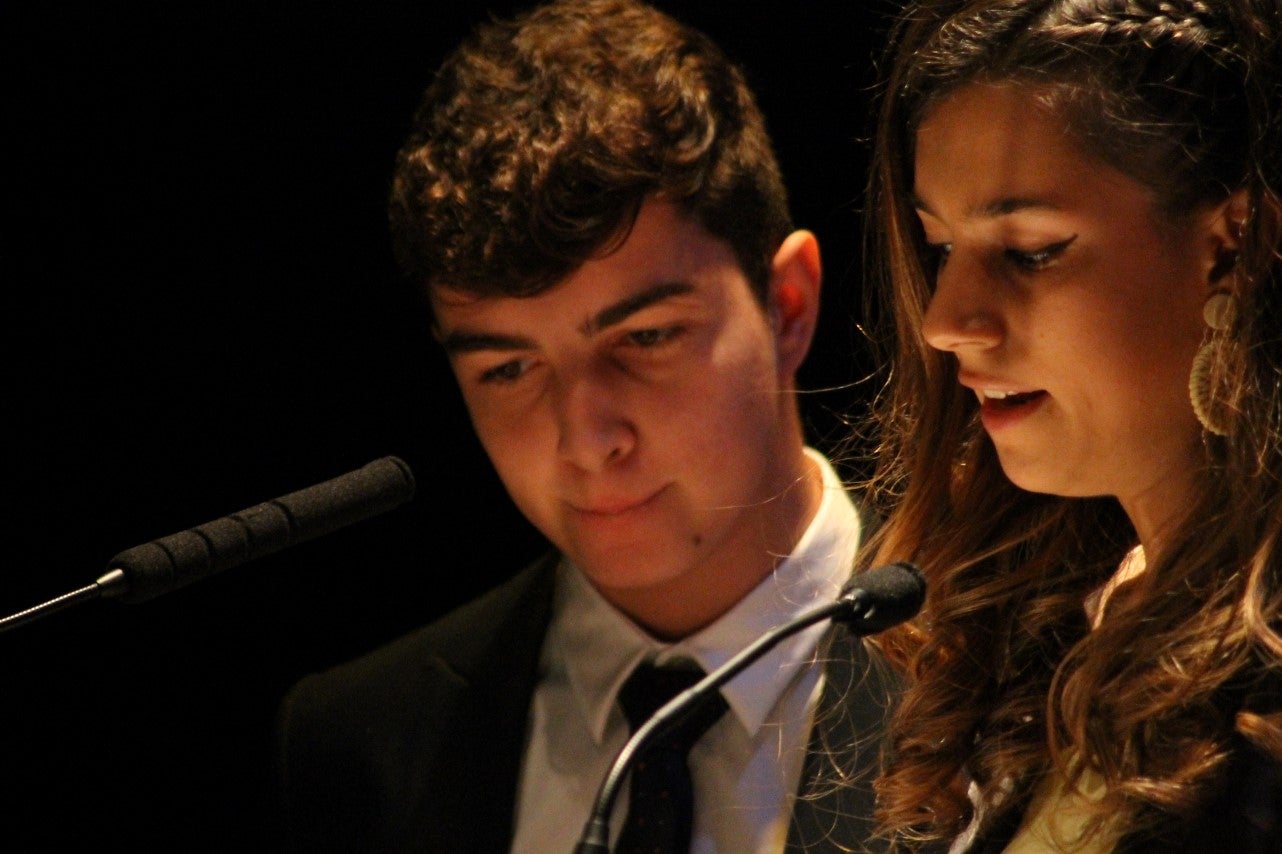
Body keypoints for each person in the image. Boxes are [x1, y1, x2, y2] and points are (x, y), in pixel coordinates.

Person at [275, 1, 896, 852]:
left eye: (644, 339)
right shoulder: (360, 745)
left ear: (788, 309)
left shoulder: (1030, 675)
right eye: (508, 369)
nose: (585, 440)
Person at [852, 0, 1282, 850]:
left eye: (1031, 251)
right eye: (940, 249)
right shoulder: (1055, 633)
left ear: (1234, 246)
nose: (946, 321)